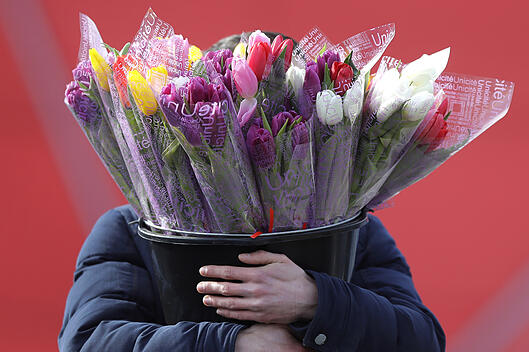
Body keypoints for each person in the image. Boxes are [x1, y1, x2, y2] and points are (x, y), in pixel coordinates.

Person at [58, 33, 446, 351]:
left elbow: (422, 340)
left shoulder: (352, 231)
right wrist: (233, 345)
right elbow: (88, 341)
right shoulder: (129, 230)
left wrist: (316, 301)